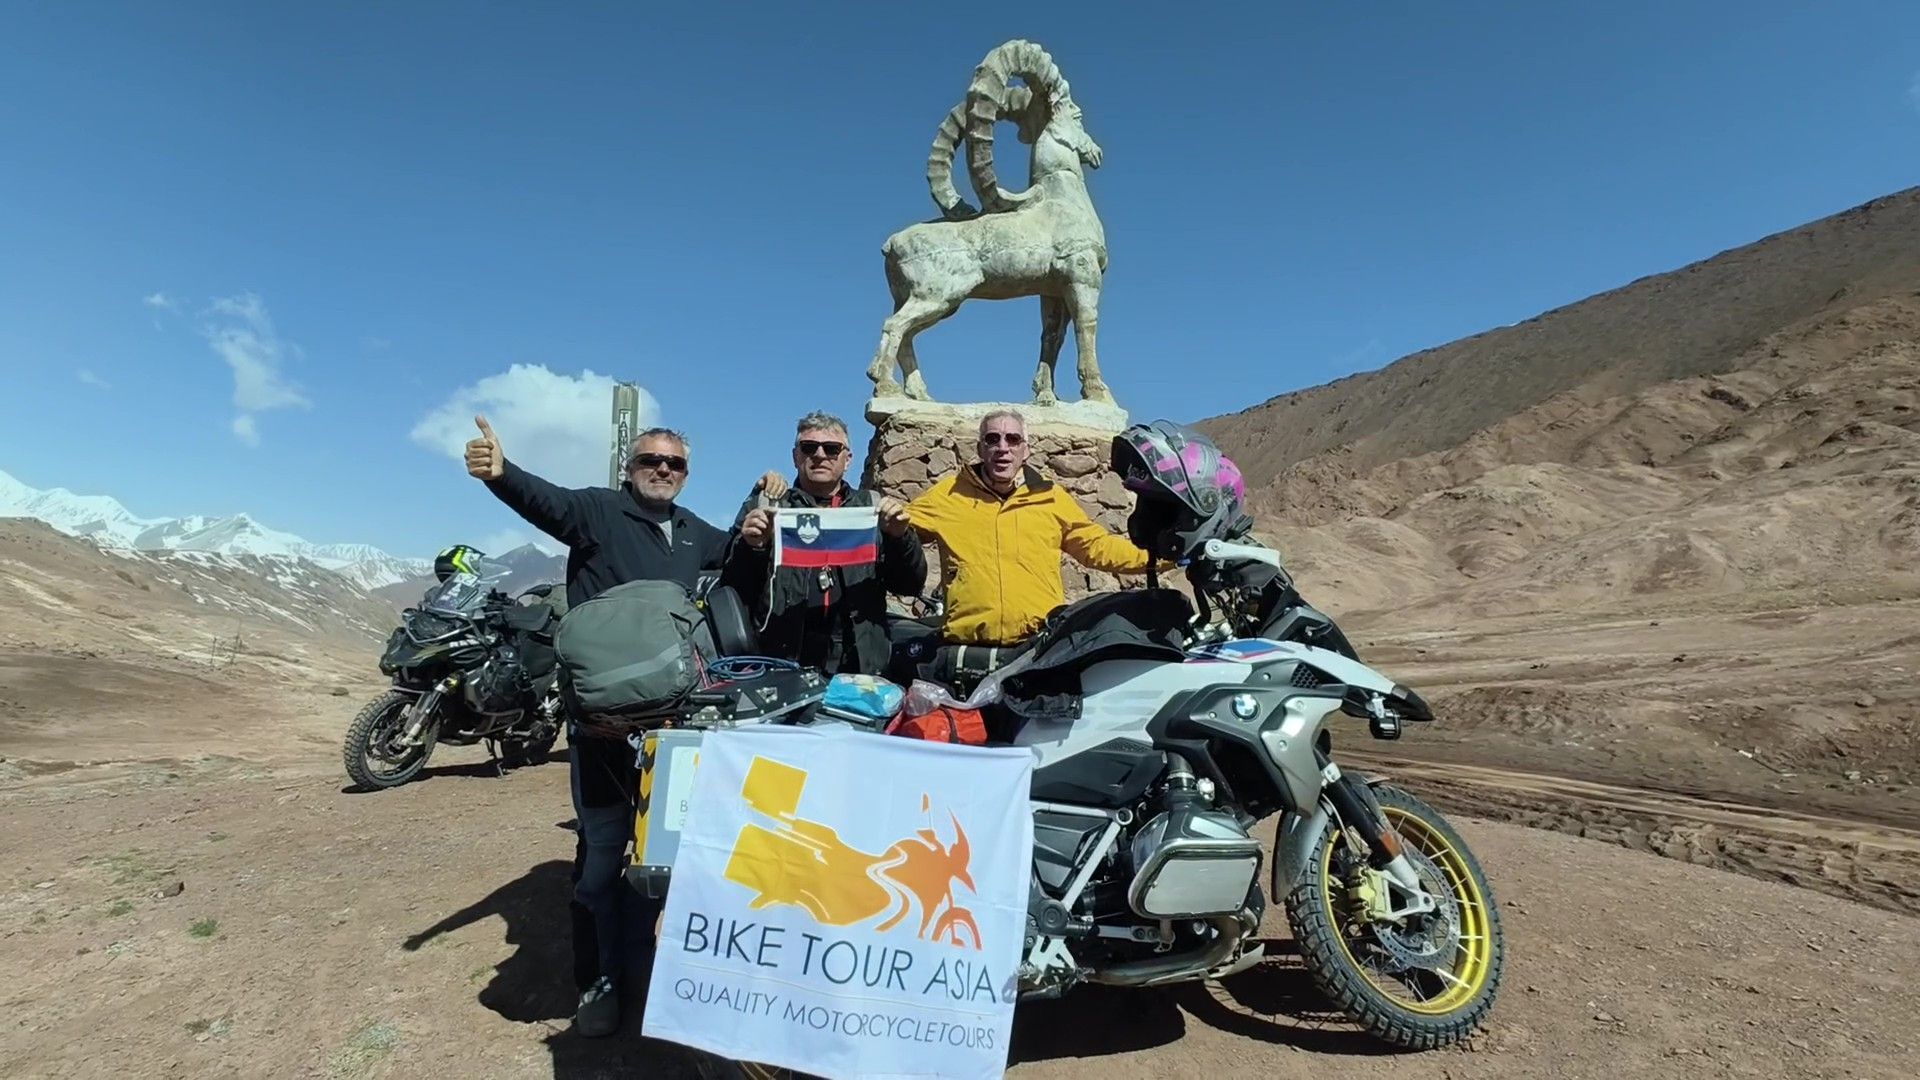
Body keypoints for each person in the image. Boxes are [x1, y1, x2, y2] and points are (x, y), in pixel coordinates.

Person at [463, 414, 728, 1039]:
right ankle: (599, 981)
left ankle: (661, 972)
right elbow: (543, 501)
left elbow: (746, 553)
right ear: (629, 469)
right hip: (603, 731)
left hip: (676, 734)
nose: (663, 470)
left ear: (686, 475)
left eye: (675, 464)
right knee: (603, 856)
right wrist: (501, 474)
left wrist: (762, 504)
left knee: (672, 856)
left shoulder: (694, 534)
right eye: (650, 461)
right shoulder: (598, 513)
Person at [906, 409, 1158, 677]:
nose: (1003, 448)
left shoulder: (1050, 497)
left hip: (1036, 650)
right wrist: (884, 523)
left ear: (1025, 450)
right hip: (965, 654)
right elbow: (896, 528)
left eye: (1012, 439)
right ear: (980, 448)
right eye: (993, 439)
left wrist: (1164, 555)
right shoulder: (948, 495)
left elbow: (1097, 548)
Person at [725, 412, 926, 674]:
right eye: (809, 447)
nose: (820, 455)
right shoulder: (769, 507)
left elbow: (910, 585)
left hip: (860, 662)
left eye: (832, 449)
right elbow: (733, 589)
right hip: (784, 659)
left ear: (847, 459)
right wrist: (752, 548)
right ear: (795, 456)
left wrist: (900, 538)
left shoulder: (873, 508)